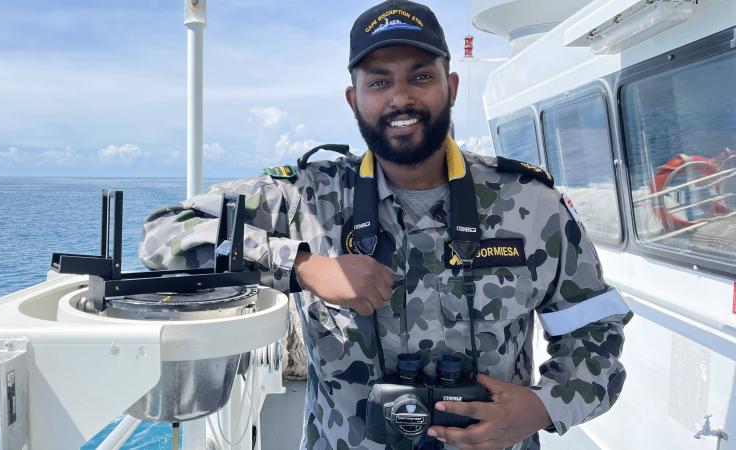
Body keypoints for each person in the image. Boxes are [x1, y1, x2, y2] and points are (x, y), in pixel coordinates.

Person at [139, 1, 632, 449]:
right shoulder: (306, 197)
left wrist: (543, 407)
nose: (400, 97)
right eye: (378, 82)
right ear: (353, 99)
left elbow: (595, 328)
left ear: (451, 87)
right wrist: (304, 266)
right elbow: (164, 232)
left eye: (421, 77)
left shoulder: (531, 202)